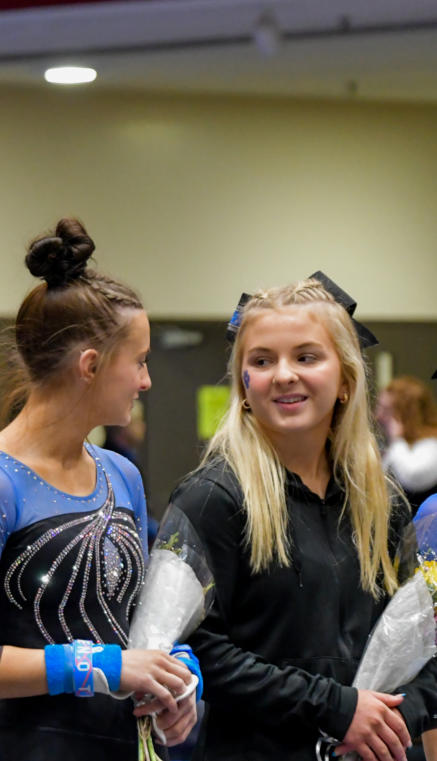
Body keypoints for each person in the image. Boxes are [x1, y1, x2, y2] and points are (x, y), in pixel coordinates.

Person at [0, 218, 196, 760]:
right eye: (140, 362)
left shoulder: (120, 473)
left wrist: (177, 675)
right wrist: (97, 666)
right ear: (91, 366)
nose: (146, 382)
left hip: (126, 745)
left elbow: (131, 627)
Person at [169, 278, 437, 760]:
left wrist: (395, 717)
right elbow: (197, 647)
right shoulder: (213, 498)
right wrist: (336, 710)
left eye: (307, 357)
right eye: (262, 360)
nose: (283, 375)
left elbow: (427, 640)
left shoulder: (385, 504)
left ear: (346, 382)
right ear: (244, 386)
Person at [379, 375, 437, 508]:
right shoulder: (402, 446)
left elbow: (413, 477)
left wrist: (397, 439)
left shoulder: (431, 445)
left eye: (386, 410)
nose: (378, 415)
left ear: (407, 414)